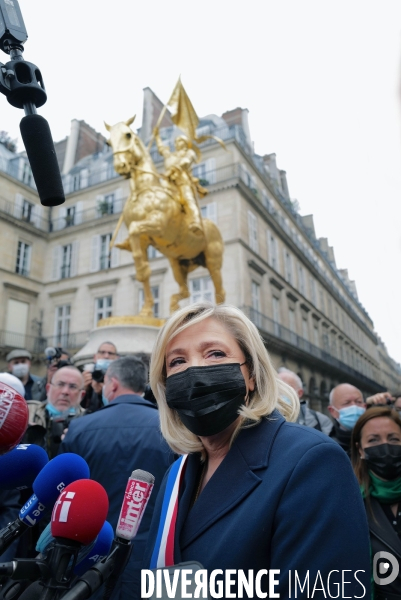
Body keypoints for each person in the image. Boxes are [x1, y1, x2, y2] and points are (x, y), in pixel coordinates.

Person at [142, 303, 371, 598]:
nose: (194, 371)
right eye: (177, 362)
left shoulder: (312, 460)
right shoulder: (177, 475)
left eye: (215, 353)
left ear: (251, 375)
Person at [61, 356, 174, 600]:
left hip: (89, 561)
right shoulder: (171, 429)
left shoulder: (80, 430)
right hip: (152, 560)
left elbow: (63, 500)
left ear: (112, 384)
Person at [351, 406, 401, 599]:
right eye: (373, 440)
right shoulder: (350, 503)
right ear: (360, 449)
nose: (385, 446)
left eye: (394, 439)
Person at [23, 365, 86, 458]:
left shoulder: (90, 423)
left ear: (82, 395)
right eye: (60, 384)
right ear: (48, 389)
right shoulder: (26, 412)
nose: (65, 391)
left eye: (73, 386)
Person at [154, 128, 204, 234]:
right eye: (176, 141)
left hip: (182, 181)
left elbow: (185, 162)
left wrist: (172, 170)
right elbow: (162, 149)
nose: (177, 143)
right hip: (169, 182)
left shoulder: (189, 152)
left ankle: (196, 221)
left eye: (180, 141)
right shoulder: (172, 155)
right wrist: (157, 137)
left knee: (187, 199)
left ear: (185, 143)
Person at [277, 367, 333, 435]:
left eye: (287, 387)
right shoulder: (266, 419)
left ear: (300, 393)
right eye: (278, 387)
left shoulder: (320, 421)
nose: (281, 391)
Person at [328, 383, 366, 455]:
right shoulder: (329, 448)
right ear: (332, 411)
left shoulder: (378, 438)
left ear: (365, 407)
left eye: (358, 402)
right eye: (347, 403)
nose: (354, 406)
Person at [81, 341, 119, 413]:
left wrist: (105, 392)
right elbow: (81, 408)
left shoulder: (120, 378)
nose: (106, 356)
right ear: (95, 357)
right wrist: (84, 389)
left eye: (110, 353)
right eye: (102, 352)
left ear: (117, 358)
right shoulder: (89, 374)